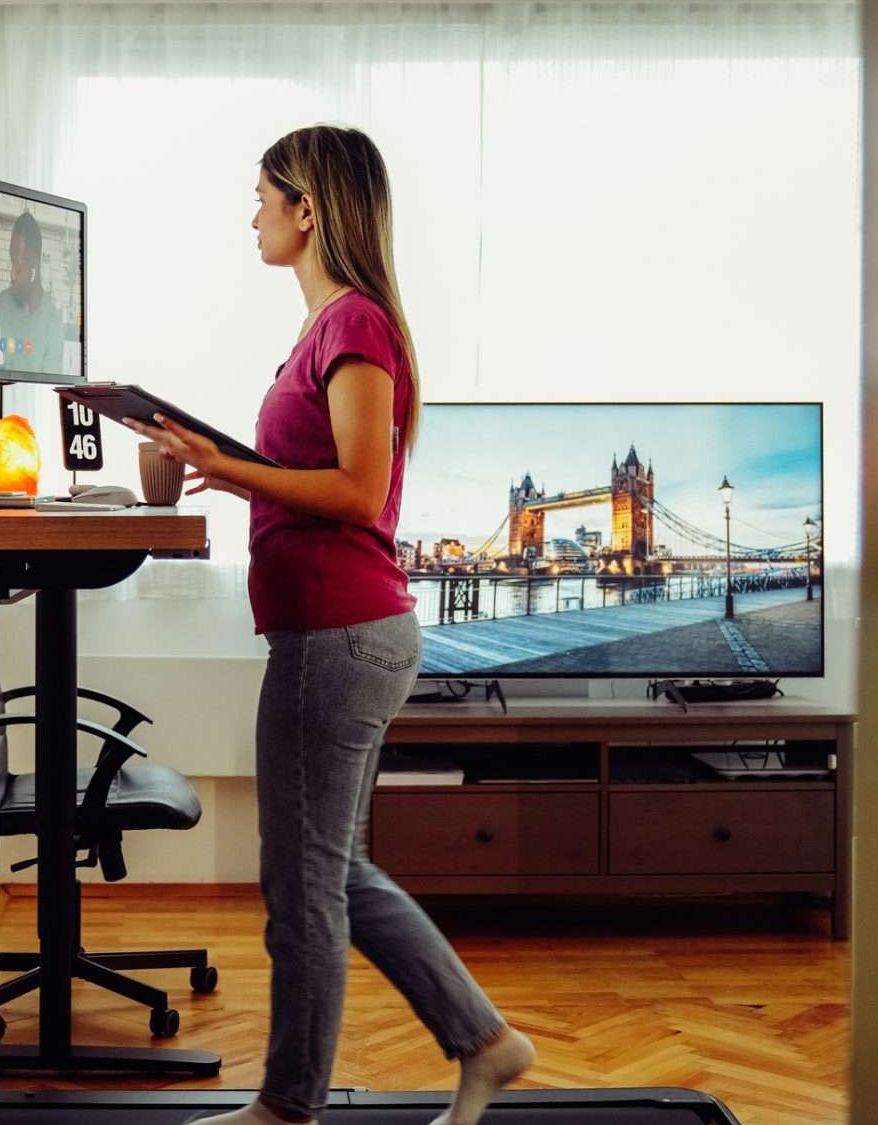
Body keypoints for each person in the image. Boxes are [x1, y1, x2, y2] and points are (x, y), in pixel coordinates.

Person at [128, 124, 535, 1125]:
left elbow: (357, 491)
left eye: (261, 195)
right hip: (333, 630)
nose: (251, 214)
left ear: (305, 209)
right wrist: (185, 461)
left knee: (298, 885)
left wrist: (225, 469)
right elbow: (306, 485)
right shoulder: (325, 332)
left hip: (337, 635)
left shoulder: (353, 326)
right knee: (331, 871)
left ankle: (288, 1109)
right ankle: (485, 1041)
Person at [0, 211, 65, 375]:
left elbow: (45, 392)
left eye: (17, 265)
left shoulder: (52, 322)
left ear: (34, 265)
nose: (11, 275)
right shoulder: (4, 301)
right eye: (11, 263)